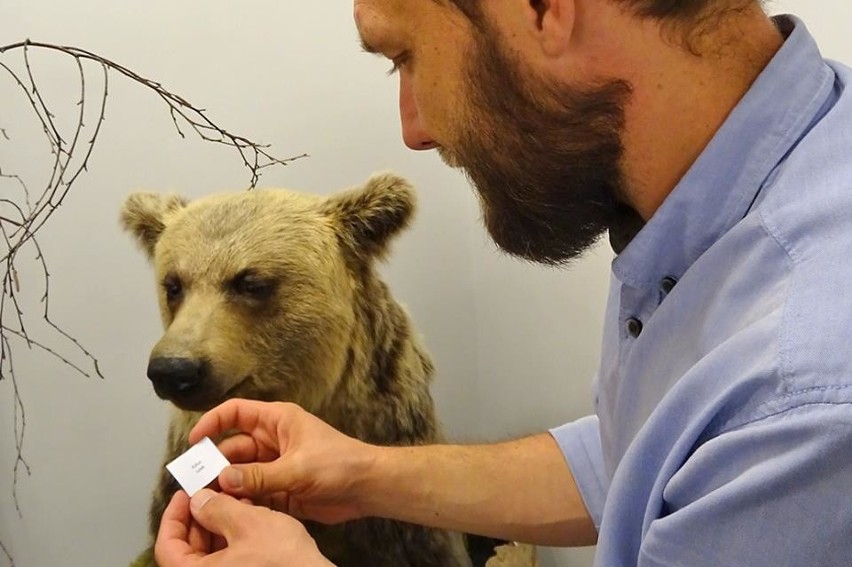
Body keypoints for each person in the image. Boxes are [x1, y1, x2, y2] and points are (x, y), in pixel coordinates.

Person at [155, 1, 852, 565]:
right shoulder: (730, 191)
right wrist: (362, 473)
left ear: (545, 8)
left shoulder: (802, 396)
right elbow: (640, 463)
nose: (414, 128)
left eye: (407, 56)